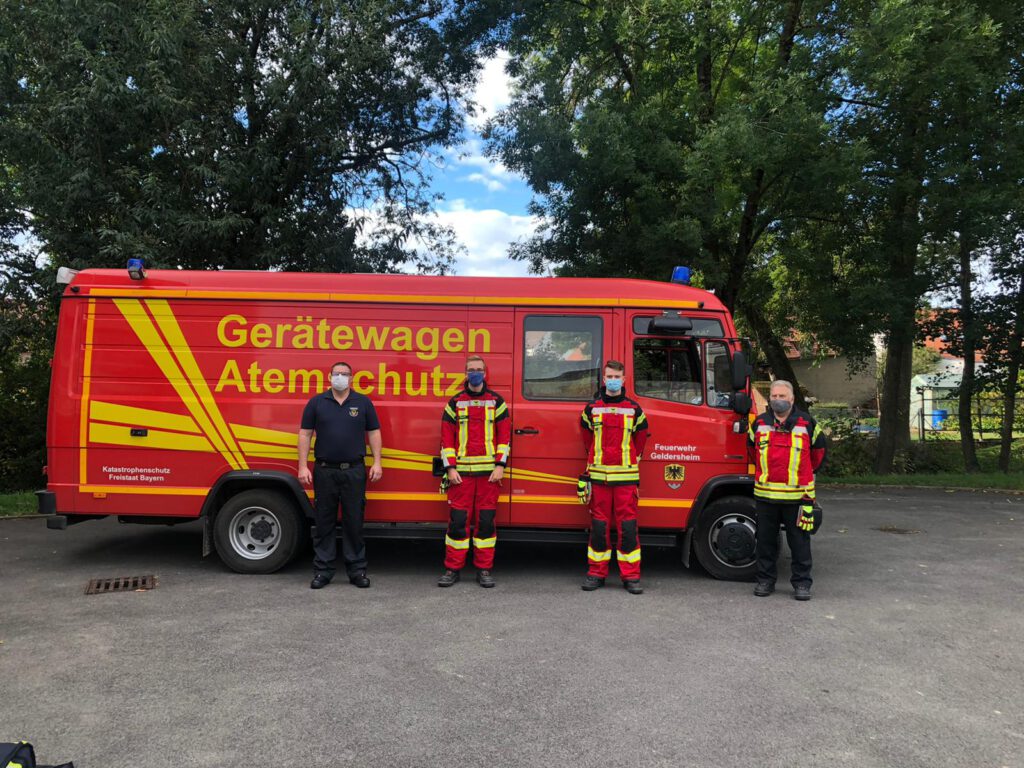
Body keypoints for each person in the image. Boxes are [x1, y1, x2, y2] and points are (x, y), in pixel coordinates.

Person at [298, 362, 383, 590]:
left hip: (354, 470)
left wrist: (377, 462)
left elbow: (374, 432)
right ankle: (323, 571)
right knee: (324, 522)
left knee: (354, 522)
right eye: (337, 374)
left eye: (345, 374)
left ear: (352, 378)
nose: (340, 377)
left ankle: (356, 570)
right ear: (329, 377)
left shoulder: (363, 402)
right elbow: (305, 434)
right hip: (324, 470)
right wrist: (302, 466)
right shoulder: (317, 402)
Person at [747, 380, 826, 600]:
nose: (778, 400)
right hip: (766, 495)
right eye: (774, 396)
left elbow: (819, 453)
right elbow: (752, 450)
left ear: (792, 399)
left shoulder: (807, 423)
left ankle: (802, 584)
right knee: (765, 542)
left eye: (782, 396)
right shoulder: (760, 423)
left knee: (799, 543)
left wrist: (804, 473)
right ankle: (765, 581)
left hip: (798, 497)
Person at [437, 356, 511, 588]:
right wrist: (449, 468)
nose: (475, 373)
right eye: (471, 370)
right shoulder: (455, 402)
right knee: (458, 522)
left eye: (479, 370)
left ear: (485, 373)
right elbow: (446, 438)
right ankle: (452, 569)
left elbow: (505, 438)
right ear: (465, 373)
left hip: (489, 475)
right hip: (461, 476)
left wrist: (500, 466)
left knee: (486, 523)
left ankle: (484, 569)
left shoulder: (497, 402)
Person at [579, 360, 650, 594]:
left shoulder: (634, 409)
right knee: (599, 527)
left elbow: (640, 439)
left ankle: (630, 576)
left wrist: (630, 460)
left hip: (625, 479)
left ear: (624, 380)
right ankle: (596, 573)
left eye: (617, 376)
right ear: (603, 379)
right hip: (599, 478)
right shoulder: (592, 409)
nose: (612, 380)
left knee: (627, 528)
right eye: (609, 376)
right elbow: (587, 439)